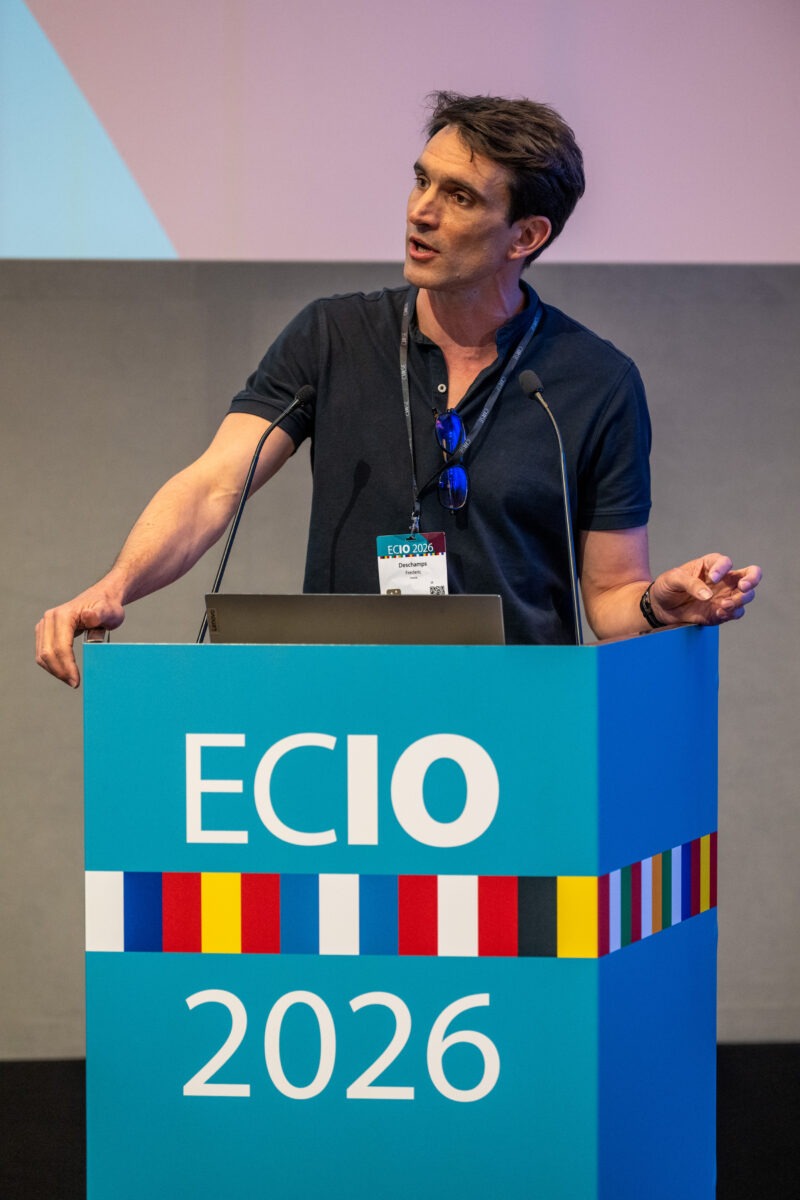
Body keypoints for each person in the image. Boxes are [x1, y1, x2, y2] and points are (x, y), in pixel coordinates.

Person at [35, 91, 761, 687]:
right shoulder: (332, 336)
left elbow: (608, 598)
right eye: (422, 181)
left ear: (526, 236)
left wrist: (658, 606)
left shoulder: (594, 382)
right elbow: (213, 485)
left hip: (518, 721)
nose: (422, 211)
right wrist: (117, 583)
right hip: (341, 710)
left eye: (459, 196)